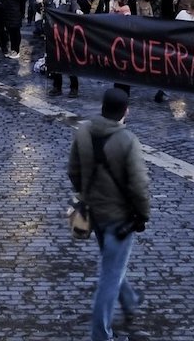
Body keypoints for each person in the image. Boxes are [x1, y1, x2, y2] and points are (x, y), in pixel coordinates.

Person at [68, 87, 150, 341]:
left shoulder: (83, 132)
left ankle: (130, 299)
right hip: (120, 219)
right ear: (126, 111)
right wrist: (143, 215)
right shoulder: (127, 141)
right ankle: (101, 335)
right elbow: (139, 186)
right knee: (110, 277)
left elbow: (73, 171)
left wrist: (86, 193)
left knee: (112, 264)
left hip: (95, 214)